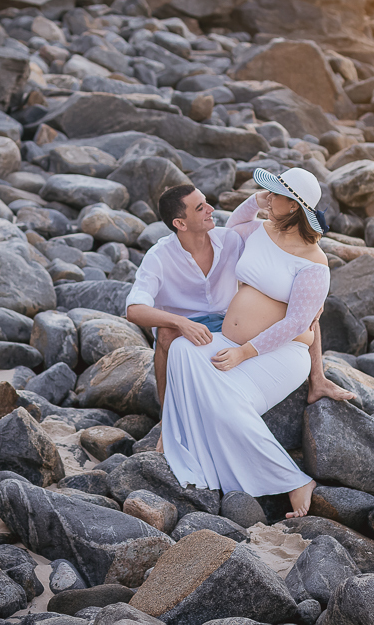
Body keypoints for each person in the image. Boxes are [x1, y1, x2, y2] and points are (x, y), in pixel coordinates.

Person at [160, 167, 336, 518]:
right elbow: (233, 226)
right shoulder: (260, 230)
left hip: (280, 355)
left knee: (227, 405)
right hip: (231, 340)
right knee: (181, 348)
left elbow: (297, 324)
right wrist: (257, 200)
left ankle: (294, 481)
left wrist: (244, 352)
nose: (269, 197)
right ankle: (184, 438)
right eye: (267, 191)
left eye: (276, 194)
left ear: (295, 206)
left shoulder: (315, 262)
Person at [124, 184, 352, 407]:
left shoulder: (230, 240)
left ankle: (317, 378)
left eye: (206, 202)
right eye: (200, 208)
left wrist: (317, 298)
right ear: (180, 223)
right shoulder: (159, 257)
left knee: (305, 310)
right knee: (166, 334)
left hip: (225, 322)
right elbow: (134, 310)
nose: (211, 209)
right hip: (189, 326)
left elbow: (279, 256)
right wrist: (180, 322)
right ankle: (167, 412)